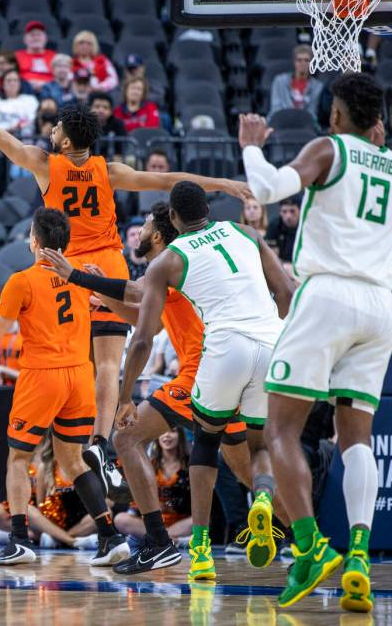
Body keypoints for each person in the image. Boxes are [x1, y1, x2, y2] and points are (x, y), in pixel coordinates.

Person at [0, 80, 248, 502]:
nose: (50, 133)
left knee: (66, 354)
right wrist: (224, 184)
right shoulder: (110, 170)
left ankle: (76, 441)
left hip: (62, 268)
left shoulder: (45, 164)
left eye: (55, 129)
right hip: (107, 264)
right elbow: (167, 180)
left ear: (66, 136)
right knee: (107, 364)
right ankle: (100, 444)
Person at [240, 72, 392, 611]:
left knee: (280, 430)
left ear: (338, 115)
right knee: (356, 435)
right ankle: (360, 555)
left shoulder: (329, 147)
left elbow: (269, 189)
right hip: (379, 305)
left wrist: (251, 148)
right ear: (380, 124)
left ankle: (312, 546)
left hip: (328, 296)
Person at [40, 201, 272, 574]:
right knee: (246, 472)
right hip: (237, 365)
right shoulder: (186, 269)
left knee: (127, 439)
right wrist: (110, 298)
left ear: (160, 235)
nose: (142, 230)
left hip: (203, 373)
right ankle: (308, 539)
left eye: (146, 223)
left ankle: (159, 543)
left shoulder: (172, 265)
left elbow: (134, 293)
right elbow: (147, 316)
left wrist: (77, 276)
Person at [116, 182, 293, 580]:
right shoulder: (246, 232)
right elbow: (285, 291)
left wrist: (126, 395)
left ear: (174, 220)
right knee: (258, 445)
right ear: (209, 211)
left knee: (206, 442)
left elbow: (143, 338)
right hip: (271, 344)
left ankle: (199, 550)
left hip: (224, 350)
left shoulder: (169, 260)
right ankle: (266, 504)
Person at [0, 208, 130, 565]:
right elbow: (108, 304)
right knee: (73, 461)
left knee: (18, 458)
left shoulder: (22, 281)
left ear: (35, 242)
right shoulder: (79, 275)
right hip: (79, 376)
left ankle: (19, 539)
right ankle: (110, 536)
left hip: (42, 375)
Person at [114, 428, 192, 542]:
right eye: (163, 432)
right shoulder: (150, 464)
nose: (167, 435)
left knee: (199, 521)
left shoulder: (190, 465)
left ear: (180, 436)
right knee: (120, 519)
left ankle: (161, 539)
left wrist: (170, 507)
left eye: (172, 431)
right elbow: (136, 502)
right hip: (152, 523)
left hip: (180, 522)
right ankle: (170, 539)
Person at [268, 45, 323, 122]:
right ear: (294, 62)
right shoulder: (279, 81)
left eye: (306, 60)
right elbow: (276, 108)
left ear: (311, 63)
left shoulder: (317, 86)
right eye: (299, 60)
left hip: (304, 123)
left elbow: (312, 112)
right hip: (282, 121)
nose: (303, 63)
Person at [0, 70, 39, 138]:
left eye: (15, 80)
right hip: (0, 138)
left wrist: (15, 127)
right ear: (2, 84)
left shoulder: (30, 100)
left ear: (20, 83)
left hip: (23, 139)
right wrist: (7, 129)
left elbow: (31, 120)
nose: (12, 83)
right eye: (9, 80)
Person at [14, 21, 56, 93]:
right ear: (25, 39)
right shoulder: (16, 56)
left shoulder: (54, 56)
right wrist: (29, 83)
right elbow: (11, 76)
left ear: (45, 39)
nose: (36, 38)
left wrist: (45, 85)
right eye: (32, 35)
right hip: (24, 90)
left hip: (51, 91)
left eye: (39, 35)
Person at [89, 92, 127, 161]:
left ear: (111, 111)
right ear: (90, 108)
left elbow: (122, 149)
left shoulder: (118, 124)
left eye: (105, 108)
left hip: (112, 163)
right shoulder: (84, 125)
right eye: (97, 106)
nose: (101, 110)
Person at [265, 197, 300, 263]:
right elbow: (272, 257)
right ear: (280, 212)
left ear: (300, 211)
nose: (288, 216)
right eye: (284, 212)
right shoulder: (275, 225)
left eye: (292, 211)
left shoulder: (306, 225)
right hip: (283, 266)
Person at [137, 150, 171, 215]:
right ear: (147, 166)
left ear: (167, 167)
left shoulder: (173, 188)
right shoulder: (135, 187)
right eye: (153, 166)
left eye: (161, 167)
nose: (157, 170)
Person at [123, 216, 147, 281]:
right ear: (127, 241)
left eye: (140, 233)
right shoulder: (121, 263)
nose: (136, 238)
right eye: (132, 234)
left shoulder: (156, 263)